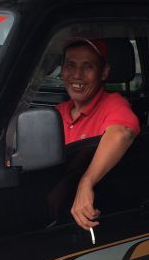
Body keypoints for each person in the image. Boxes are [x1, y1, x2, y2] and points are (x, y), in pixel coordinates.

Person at [55, 38, 140, 231]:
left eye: (88, 67)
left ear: (104, 72)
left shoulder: (113, 104)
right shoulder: (57, 112)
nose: (77, 75)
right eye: (71, 65)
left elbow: (123, 132)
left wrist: (87, 181)